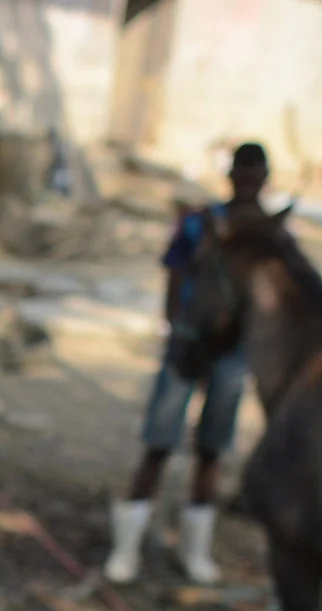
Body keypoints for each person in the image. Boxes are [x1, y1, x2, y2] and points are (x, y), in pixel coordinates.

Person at [104, 141, 269, 587]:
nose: (250, 184)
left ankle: (195, 551)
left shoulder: (268, 235)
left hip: (231, 353)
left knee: (211, 450)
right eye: (244, 175)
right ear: (232, 175)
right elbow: (174, 276)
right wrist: (178, 327)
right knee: (159, 443)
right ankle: (126, 550)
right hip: (188, 344)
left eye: (257, 177)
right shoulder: (200, 223)